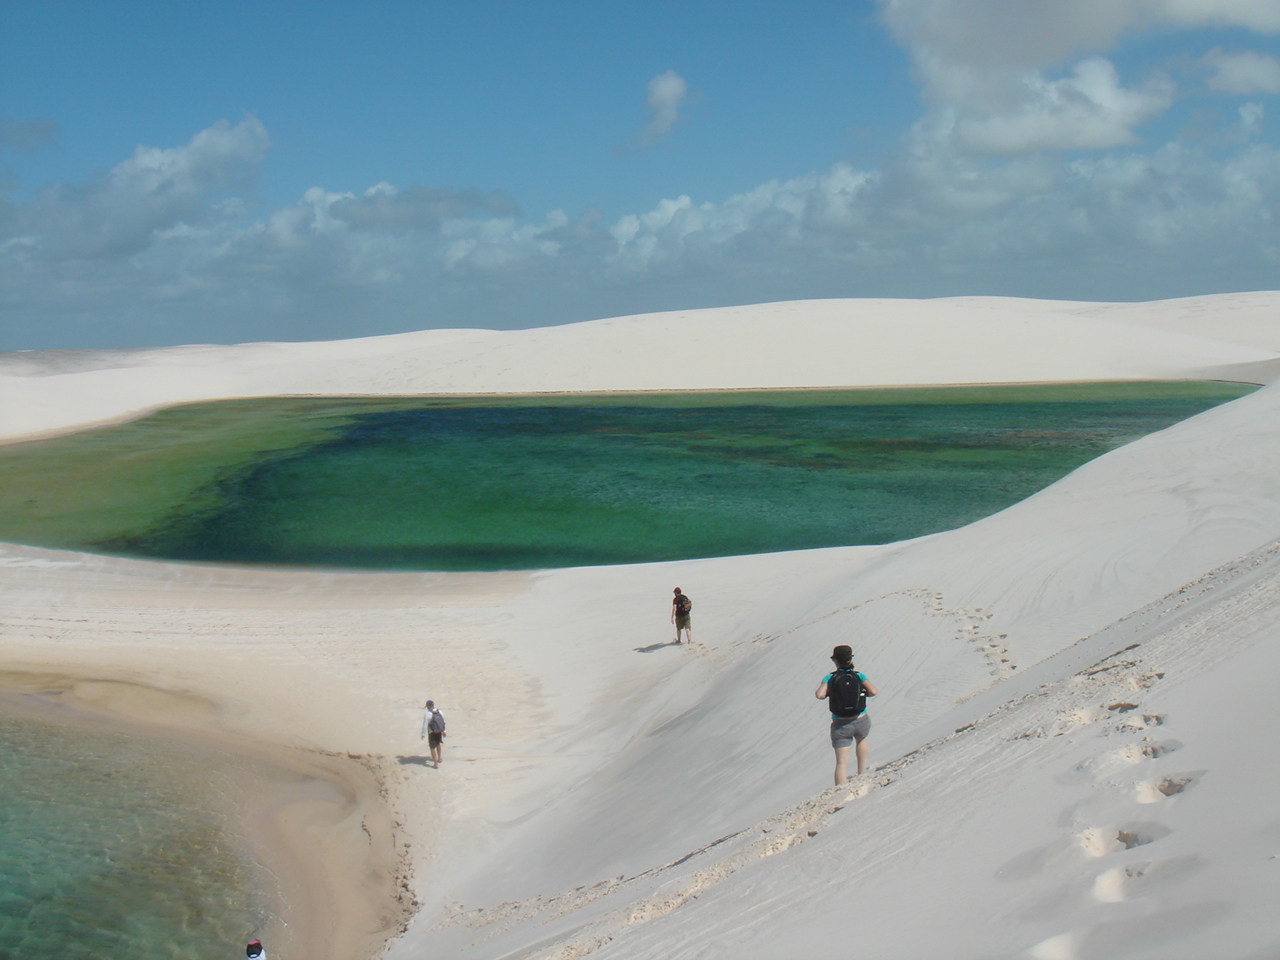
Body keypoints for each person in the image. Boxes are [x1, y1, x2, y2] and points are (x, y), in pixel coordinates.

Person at [815, 645, 878, 785]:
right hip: (861, 719)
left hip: (841, 724)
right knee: (861, 740)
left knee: (841, 763)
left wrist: (830, 693)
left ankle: (840, 790)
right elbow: (873, 691)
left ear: (835, 660)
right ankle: (862, 773)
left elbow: (819, 694)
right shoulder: (858, 675)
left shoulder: (830, 677)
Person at [423, 699, 446, 768]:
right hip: (439, 731)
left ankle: (435, 764)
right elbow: (443, 722)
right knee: (438, 744)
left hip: (432, 732)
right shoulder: (440, 711)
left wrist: (423, 734)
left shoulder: (427, 714)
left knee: (432, 747)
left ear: (427, 706)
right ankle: (439, 758)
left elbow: (425, 725)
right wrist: (444, 731)